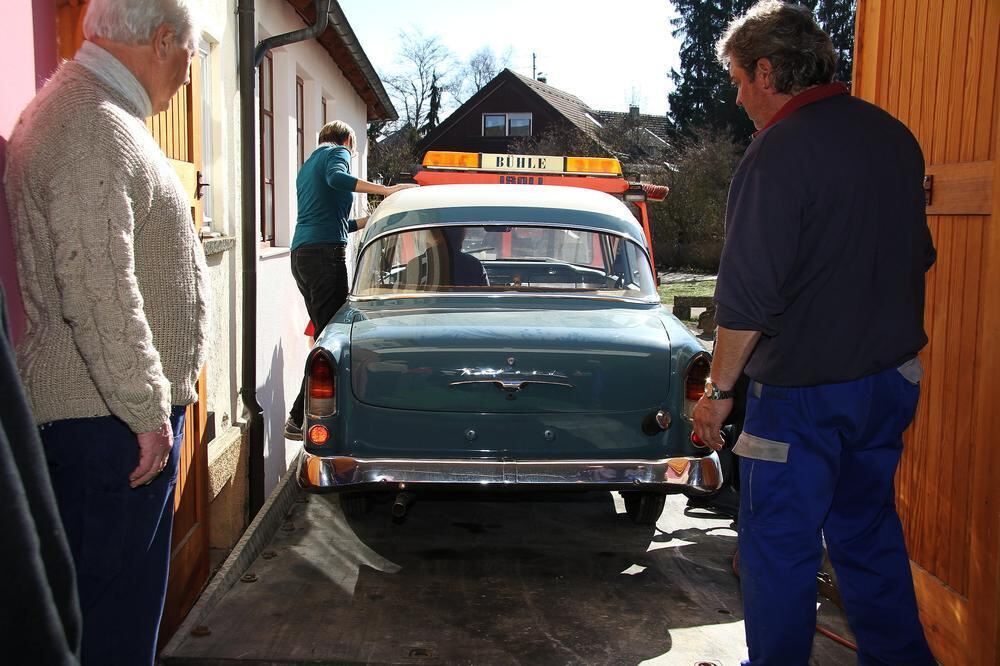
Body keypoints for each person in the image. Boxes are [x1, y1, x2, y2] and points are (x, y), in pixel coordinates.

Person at [692, 2, 937, 664]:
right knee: (867, 536)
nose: (739, 97)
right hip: (888, 384)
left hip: (802, 396)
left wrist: (717, 392)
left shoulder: (778, 153)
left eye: (740, 80)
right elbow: (919, 256)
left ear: (767, 71)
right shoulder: (894, 137)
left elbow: (747, 301)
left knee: (779, 548)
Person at [4, 1, 208, 663]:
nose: (188, 67)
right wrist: (145, 411)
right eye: (189, 50)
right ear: (161, 40)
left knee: (107, 623)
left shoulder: (90, 111)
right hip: (109, 428)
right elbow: (96, 284)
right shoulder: (91, 123)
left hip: (107, 421)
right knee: (110, 637)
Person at [284, 121, 416, 440]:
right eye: (353, 148)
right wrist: (385, 190)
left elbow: (340, 223)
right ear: (347, 140)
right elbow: (338, 178)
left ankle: (300, 415)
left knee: (327, 332)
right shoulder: (337, 152)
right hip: (324, 255)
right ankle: (299, 417)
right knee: (335, 337)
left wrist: (373, 218)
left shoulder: (307, 166)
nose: (351, 154)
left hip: (303, 254)